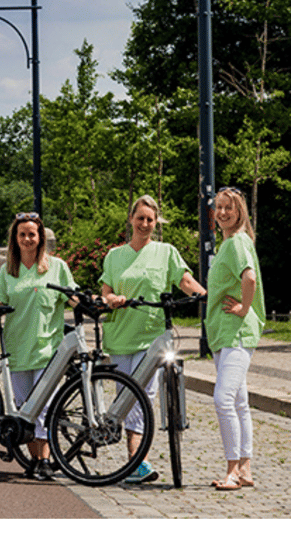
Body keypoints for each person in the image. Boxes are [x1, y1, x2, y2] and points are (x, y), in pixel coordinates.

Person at [99, 194, 205, 484]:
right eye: (140, 218)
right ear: (131, 219)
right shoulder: (114, 255)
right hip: (122, 335)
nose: (145, 224)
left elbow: (184, 281)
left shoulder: (166, 251)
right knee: (128, 400)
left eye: (150, 219)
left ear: (156, 222)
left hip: (153, 336)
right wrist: (112, 299)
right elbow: (105, 291)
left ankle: (138, 462)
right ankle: (136, 462)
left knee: (144, 398)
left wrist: (206, 296)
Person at [0, 212, 75, 481]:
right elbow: (1, 298)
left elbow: (71, 296)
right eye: (22, 235)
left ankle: (44, 460)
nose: (28, 239)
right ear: (15, 239)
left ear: (40, 237)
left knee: (44, 407)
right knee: (24, 409)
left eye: (32, 234)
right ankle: (36, 461)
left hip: (47, 347)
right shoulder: (8, 270)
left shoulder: (57, 267)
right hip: (18, 346)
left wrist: (86, 301)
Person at [205, 187, 264, 491]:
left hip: (235, 332)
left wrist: (244, 306)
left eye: (229, 207)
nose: (223, 212)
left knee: (223, 399)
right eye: (219, 208)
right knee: (240, 402)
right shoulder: (228, 243)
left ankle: (231, 471)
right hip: (225, 332)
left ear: (240, 210)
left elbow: (249, 277)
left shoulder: (238, 241)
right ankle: (244, 468)